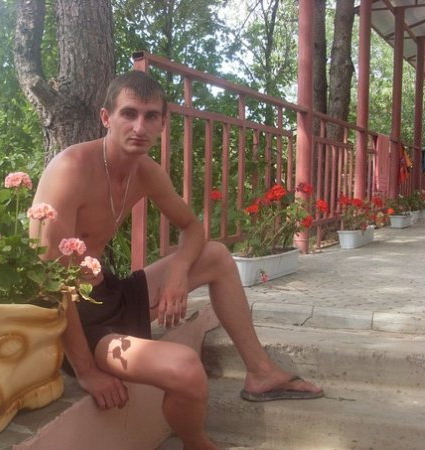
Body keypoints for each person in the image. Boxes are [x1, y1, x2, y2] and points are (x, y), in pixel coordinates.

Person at [30, 70, 323, 450]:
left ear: (163, 123)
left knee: (216, 255)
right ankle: (196, 443)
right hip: (82, 325)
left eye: (151, 116)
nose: (140, 127)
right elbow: (51, 281)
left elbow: (194, 228)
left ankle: (261, 372)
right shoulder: (71, 170)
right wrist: (86, 371)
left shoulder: (145, 172)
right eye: (129, 113)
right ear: (106, 117)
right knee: (186, 368)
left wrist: (178, 273)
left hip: (112, 293)